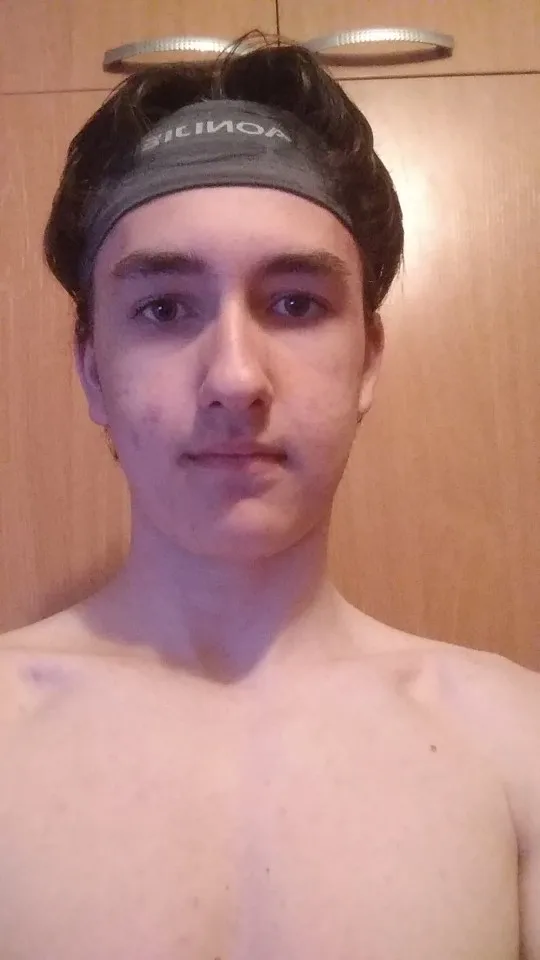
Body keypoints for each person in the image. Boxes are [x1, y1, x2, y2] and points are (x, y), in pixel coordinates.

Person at [0, 37, 538, 960]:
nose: (236, 378)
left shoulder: (513, 746)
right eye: (164, 307)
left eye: (294, 304)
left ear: (367, 361)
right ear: (91, 370)